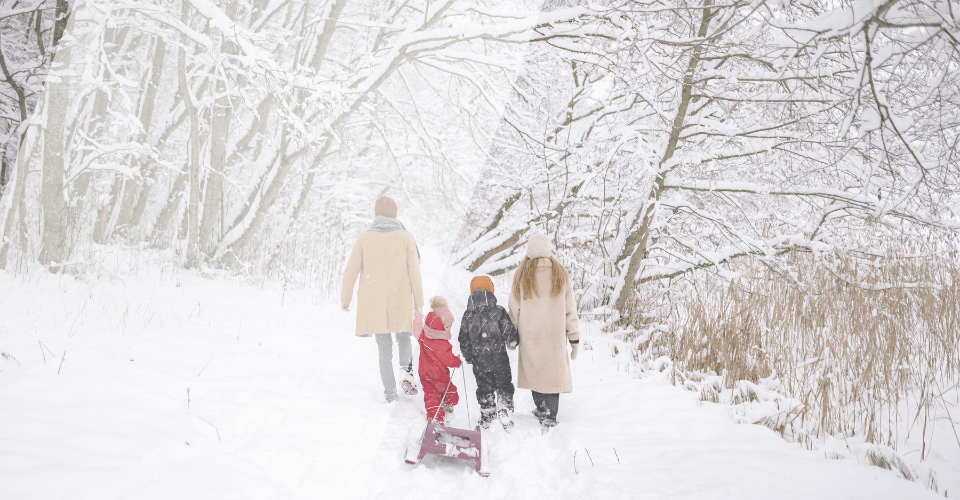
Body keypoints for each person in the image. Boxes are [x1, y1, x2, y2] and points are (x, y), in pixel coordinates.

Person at [341, 195, 424, 403]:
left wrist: (346, 297)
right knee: (404, 337)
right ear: (395, 214)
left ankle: (390, 394)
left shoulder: (364, 238)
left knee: (384, 348)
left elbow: (350, 271)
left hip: (375, 303)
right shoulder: (406, 238)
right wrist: (419, 304)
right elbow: (414, 271)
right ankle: (406, 372)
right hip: (401, 298)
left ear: (375, 214)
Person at [508, 234, 580, 431]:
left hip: (529, 333)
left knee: (535, 371)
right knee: (551, 375)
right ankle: (550, 414)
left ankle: (541, 409)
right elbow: (570, 309)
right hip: (554, 335)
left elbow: (514, 309)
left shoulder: (522, 274)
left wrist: (512, 335)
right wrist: (573, 337)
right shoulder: (560, 273)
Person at [458, 276, 519, 429]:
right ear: (491, 290)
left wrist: (468, 356)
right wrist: (513, 340)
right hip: (499, 358)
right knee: (504, 384)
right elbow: (508, 332)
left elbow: (463, 338)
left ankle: (488, 414)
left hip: (480, 361)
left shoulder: (468, 315)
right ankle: (504, 406)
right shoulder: (498, 311)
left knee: (484, 387)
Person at [413, 297, 462, 424]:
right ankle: (447, 408)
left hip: (424, 373)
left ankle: (436, 419)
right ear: (439, 324)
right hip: (439, 374)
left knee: (431, 397)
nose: (449, 329)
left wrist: (417, 317)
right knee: (450, 391)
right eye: (447, 326)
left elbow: (416, 329)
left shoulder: (424, 333)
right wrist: (457, 362)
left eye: (450, 326)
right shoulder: (440, 342)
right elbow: (448, 359)